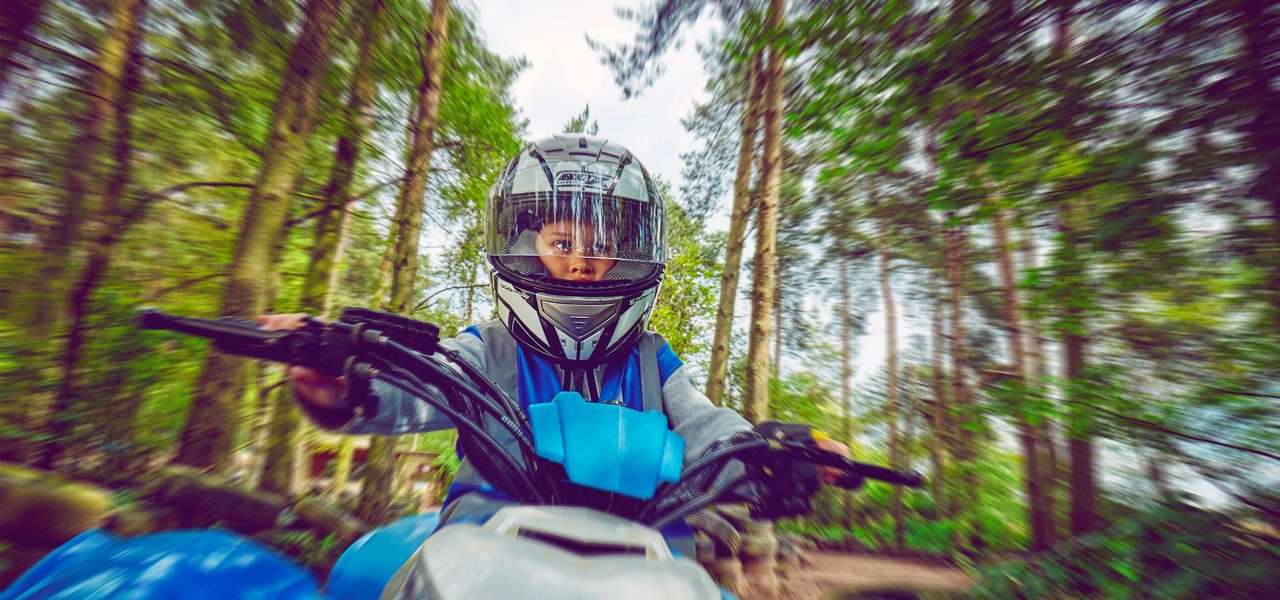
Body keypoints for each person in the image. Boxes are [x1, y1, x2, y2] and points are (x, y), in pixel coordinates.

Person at [260, 134, 847, 534]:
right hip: (488, 546)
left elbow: (702, 424)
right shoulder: (489, 348)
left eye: (601, 246)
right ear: (526, 247)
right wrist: (342, 382)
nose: (582, 261)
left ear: (629, 256)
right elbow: (430, 383)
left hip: (637, 549)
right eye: (562, 243)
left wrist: (770, 455)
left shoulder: (651, 359)